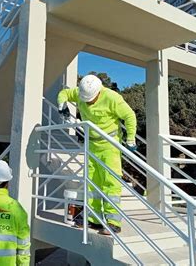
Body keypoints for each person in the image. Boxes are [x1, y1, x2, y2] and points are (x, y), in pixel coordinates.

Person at [57, 74, 137, 235]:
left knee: (110, 183)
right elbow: (63, 93)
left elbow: (130, 116)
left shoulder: (112, 98)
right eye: (85, 100)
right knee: (91, 183)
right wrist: (62, 106)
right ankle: (93, 219)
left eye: (90, 100)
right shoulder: (80, 92)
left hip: (110, 145)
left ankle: (113, 222)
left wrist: (131, 139)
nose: (87, 103)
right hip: (91, 144)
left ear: (99, 92)